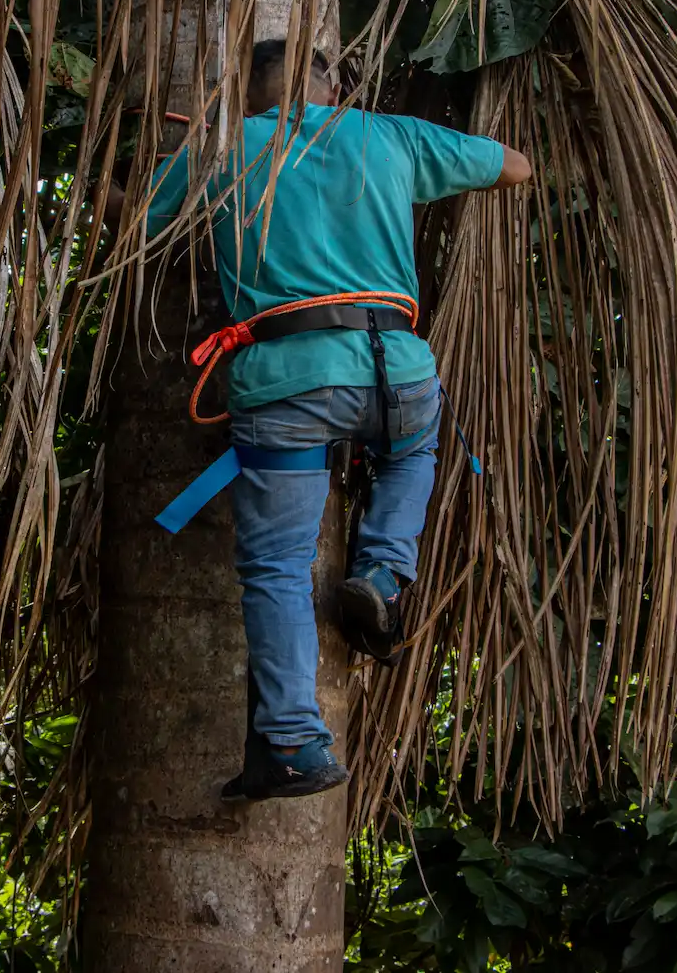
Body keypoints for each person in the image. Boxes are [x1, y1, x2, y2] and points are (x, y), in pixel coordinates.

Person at [123, 39, 533, 800]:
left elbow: (137, 228)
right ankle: (381, 569)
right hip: (396, 372)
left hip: (286, 384)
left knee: (277, 566)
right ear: (333, 85)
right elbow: (514, 166)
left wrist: (198, 149)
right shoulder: (390, 135)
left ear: (250, 95)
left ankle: (291, 743)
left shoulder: (227, 149)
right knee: (413, 455)